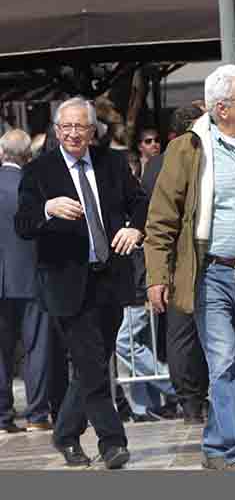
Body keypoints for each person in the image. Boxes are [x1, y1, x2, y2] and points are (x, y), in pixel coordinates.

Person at [144, 65, 235, 470]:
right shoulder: (189, 149)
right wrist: (157, 276)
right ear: (222, 108)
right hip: (210, 273)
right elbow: (161, 217)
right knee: (224, 360)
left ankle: (217, 444)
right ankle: (232, 450)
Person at [14, 98, 147, 468]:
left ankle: (66, 433)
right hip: (66, 282)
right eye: (67, 127)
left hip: (110, 278)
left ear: (93, 131)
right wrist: (47, 209)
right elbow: (22, 224)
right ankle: (112, 442)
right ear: (57, 131)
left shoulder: (112, 162)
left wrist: (135, 229)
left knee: (94, 363)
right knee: (90, 363)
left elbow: (140, 202)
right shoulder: (39, 171)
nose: (73, 133)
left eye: (81, 127)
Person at [139, 105, 208, 425]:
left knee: (181, 335)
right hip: (184, 257)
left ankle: (190, 401)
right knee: (191, 333)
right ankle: (196, 399)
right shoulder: (186, 158)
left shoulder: (154, 165)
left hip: (173, 260)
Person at [0, 130, 52, 434]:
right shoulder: (35, 185)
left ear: (2, 153)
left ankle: (2, 416)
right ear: (27, 155)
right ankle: (37, 414)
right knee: (37, 347)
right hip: (32, 277)